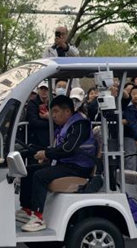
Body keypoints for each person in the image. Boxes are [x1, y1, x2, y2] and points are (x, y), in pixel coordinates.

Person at [20, 95, 97, 232]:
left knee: (40, 175)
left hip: (80, 167)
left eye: (56, 111)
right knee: (28, 171)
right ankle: (27, 210)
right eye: (52, 112)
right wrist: (45, 154)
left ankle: (38, 218)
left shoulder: (80, 125)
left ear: (67, 111)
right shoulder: (65, 126)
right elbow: (60, 148)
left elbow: (68, 148)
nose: (53, 115)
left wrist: (47, 154)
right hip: (67, 163)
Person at [25, 83, 51, 148]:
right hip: (36, 138)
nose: (43, 91)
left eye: (46, 89)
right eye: (41, 89)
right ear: (38, 90)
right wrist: (50, 122)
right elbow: (33, 121)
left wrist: (48, 117)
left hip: (50, 137)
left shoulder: (53, 103)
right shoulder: (32, 103)